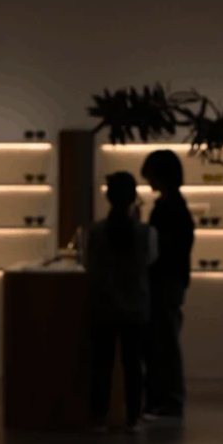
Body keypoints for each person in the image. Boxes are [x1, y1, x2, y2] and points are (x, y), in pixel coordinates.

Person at [82, 171, 156, 430]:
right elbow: (150, 261)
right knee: (133, 365)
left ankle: (99, 416)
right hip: (135, 307)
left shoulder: (95, 231)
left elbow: (88, 264)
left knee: (101, 365)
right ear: (133, 197)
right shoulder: (146, 233)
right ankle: (133, 417)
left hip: (103, 306)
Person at [140, 148, 195, 420]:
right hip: (170, 281)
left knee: (163, 341)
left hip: (165, 282)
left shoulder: (168, 208)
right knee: (163, 341)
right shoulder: (175, 206)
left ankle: (167, 400)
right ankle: (163, 400)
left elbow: (162, 247)